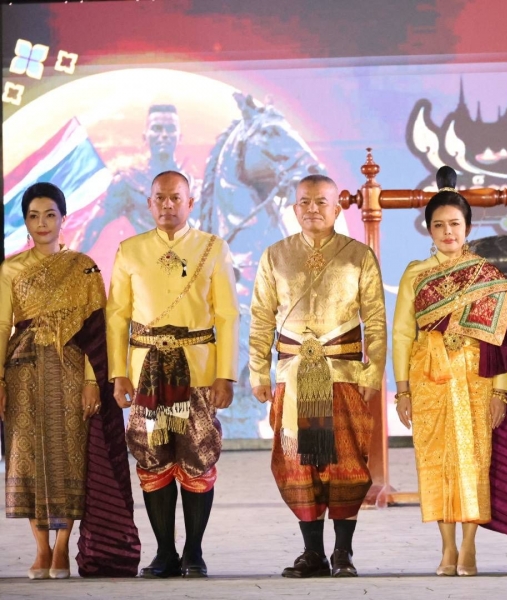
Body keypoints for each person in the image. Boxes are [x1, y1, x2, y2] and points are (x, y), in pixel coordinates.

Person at [393, 166, 507, 577]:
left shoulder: (487, 277)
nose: (448, 232)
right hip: (428, 378)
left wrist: (501, 392)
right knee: (436, 462)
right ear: (429, 230)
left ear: (468, 227)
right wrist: (402, 390)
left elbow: (503, 342)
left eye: (455, 224)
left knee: (475, 461)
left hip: (477, 379)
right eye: (439, 225)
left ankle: (470, 546)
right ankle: (446, 548)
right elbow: (402, 334)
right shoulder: (415, 274)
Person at [0, 182, 140, 580]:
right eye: (33, 216)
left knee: (70, 459)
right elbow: (2, 326)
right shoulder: (10, 269)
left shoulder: (84, 267)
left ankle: (62, 547)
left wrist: (93, 381)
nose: (42, 223)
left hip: (71, 373)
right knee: (28, 458)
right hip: (23, 373)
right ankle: (41, 548)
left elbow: (98, 331)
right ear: (25, 222)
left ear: (64, 218)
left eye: (50, 215)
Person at [249, 174, 386, 578]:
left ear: (337, 208)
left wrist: (373, 372)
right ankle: (313, 553)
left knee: (345, 461)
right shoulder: (275, 255)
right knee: (298, 463)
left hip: (343, 374)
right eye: (305, 202)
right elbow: (260, 318)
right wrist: (258, 371)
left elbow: (376, 320)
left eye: (321, 202)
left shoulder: (358, 255)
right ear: (294, 209)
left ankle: (343, 552)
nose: (312, 209)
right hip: (292, 378)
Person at [106, 170, 239, 579]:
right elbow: (117, 316)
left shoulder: (213, 248)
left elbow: (227, 315)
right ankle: (164, 552)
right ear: (149, 203)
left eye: (175, 198)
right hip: (145, 374)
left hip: (197, 370)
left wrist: (225, 375)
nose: (167, 205)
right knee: (152, 459)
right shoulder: (130, 250)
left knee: (197, 457)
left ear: (190, 203)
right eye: (160, 198)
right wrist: (118, 373)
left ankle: (194, 551)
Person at [76, 104, 196, 251]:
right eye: (157, 128)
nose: (164, 135)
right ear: (145, 137)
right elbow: (94, 226)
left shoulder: (195, 187)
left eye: (170, 129)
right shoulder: (129, 181)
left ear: (180, 137)